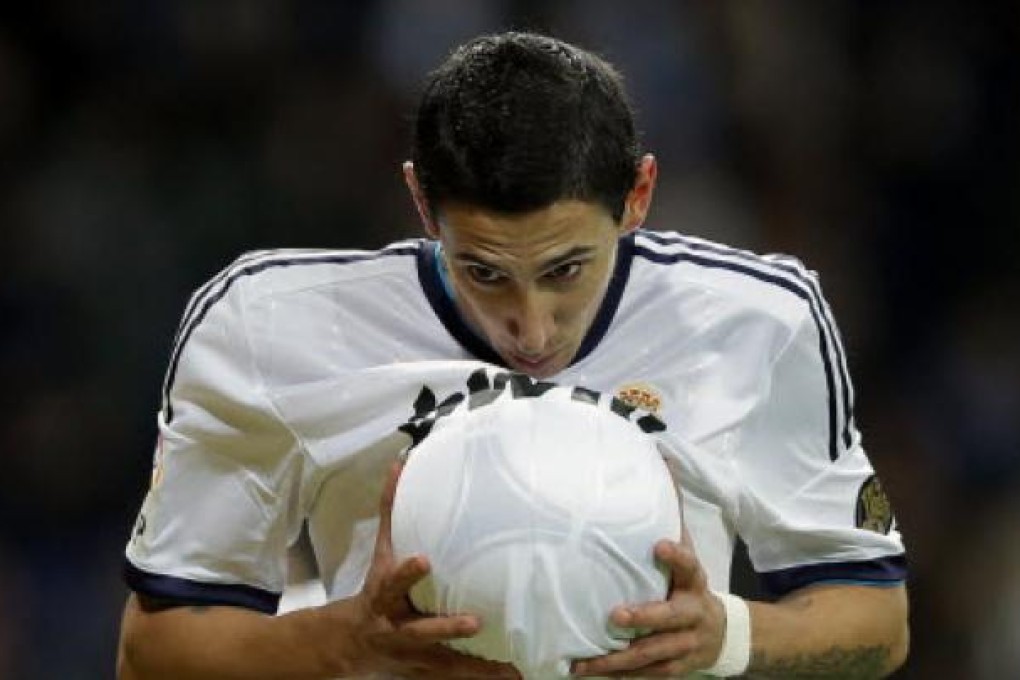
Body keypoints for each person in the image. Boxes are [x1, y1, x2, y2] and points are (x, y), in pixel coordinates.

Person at [116, 31, 909, 679]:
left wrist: (724, 636)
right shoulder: (266, 329)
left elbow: (879, 621)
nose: (529, 331)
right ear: (421, 202)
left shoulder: (757, 321)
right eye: (485, 273)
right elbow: (152, 653)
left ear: (637, 196)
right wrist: (349, 640)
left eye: (565, 270)